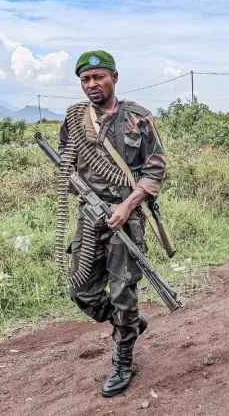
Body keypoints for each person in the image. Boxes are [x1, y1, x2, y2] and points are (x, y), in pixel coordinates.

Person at [55, 50, 167, 397]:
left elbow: (156, 169)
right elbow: (66, 165)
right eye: (85, 79)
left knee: (122, 293)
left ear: (114, 78)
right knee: (82, 290)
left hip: (126, 219)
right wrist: (87, 197)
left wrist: (127, 204)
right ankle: (129, 323)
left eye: (98, 77)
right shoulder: (74, 119)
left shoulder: (137, 117)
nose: (92, 84)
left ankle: (123, 358)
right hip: (90, 218)